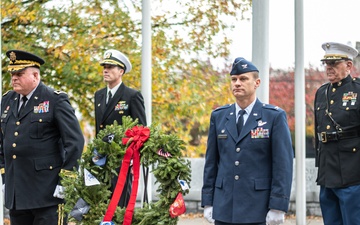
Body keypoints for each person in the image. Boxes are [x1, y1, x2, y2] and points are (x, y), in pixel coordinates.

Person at [201, 57, 294, 225]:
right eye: (234, 79)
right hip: (224, 207)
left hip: (258, 207)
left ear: (257, 83)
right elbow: (211, 163)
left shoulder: (273, 116)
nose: (237, 83)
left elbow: (283, 164)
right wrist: (208, 201)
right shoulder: (219, 116)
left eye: (243, 79)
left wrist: (278, 205)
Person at [0, 50, 84, 225]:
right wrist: (4, 175)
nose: (14, 78)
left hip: (47, 192)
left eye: (19, 74)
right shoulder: (7, 100)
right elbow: (3, 140)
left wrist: (66, 180)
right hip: (17, 193)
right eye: (12, 74)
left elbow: (75, 142)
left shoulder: (55, 100)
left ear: (35, 76)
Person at [314, 42, 360, 225]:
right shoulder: (321, 92)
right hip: (327, 173)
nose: (329, 68)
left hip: (353, 173)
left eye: (334, 63)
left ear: (349, 65)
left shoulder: (358, 90)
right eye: (326, 64)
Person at [94, 49, 147, 207]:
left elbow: (141, 131)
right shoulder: (99, 95)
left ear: (121, 71)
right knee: (100, 206)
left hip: (122, 160)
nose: (105, 70)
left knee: (119, 207)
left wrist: (134, 161)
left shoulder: (132, 96)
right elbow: (99, 129)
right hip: (101, 160)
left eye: (110, 67)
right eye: (104, 66)